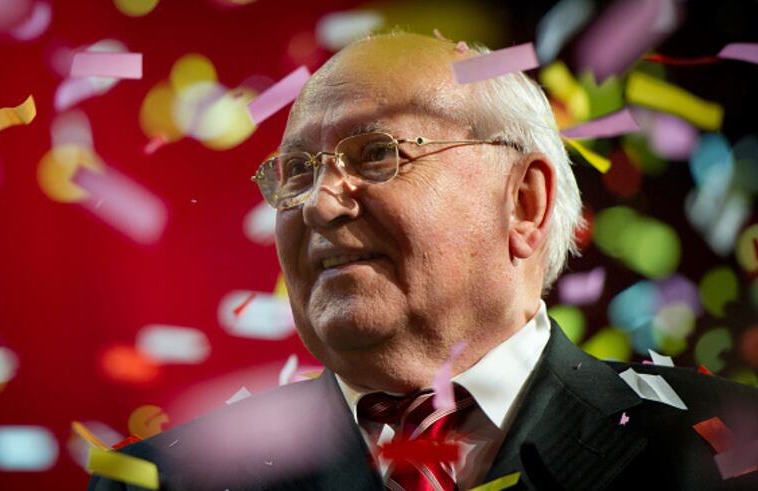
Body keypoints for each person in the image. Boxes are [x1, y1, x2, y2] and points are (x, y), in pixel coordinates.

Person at [90, 32, 758, 491]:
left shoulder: (729, 445)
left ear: (523, 202)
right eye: (296, 172)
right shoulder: (163, 479)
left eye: (376, 154)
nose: (318, 204)